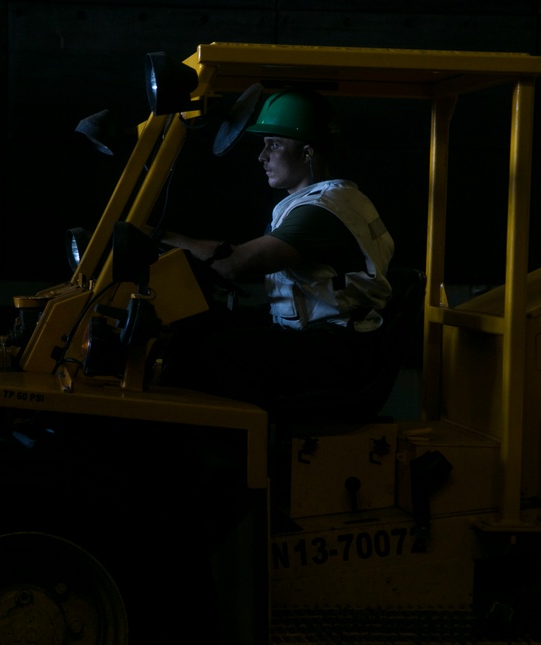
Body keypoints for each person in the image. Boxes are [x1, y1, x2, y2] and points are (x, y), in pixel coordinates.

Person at [155, 87, 395, 410]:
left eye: (274, 145)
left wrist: (163, 237)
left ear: (307, 153)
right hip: (327, 335)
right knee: (204, 324)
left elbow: (235, 264)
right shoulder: (318, 201)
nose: (262, 156)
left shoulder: (321, 211)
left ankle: (240, 447)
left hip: (337, 348)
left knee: (214, 351)